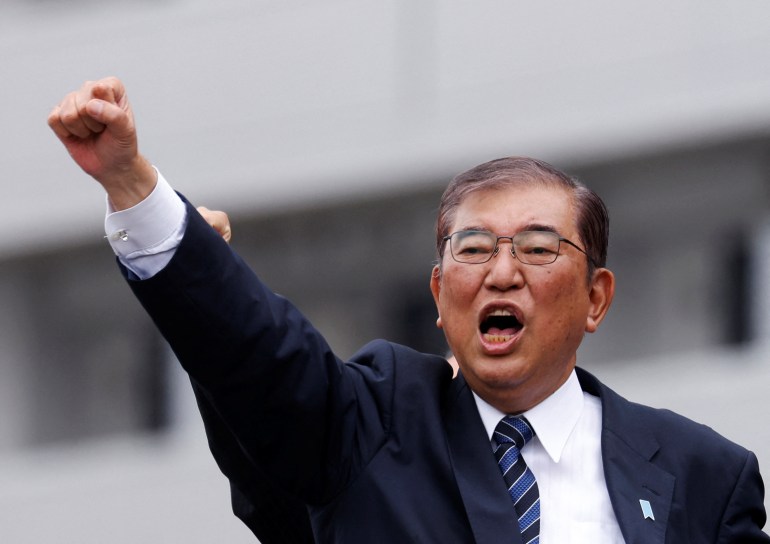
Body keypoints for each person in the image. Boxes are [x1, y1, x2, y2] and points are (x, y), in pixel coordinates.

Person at [48, 77, 769, 543]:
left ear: (596, 298)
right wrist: (132, 184)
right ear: (436, 294)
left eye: (540, 249)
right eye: (475, 248)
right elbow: (260, 356)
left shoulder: (702, 474)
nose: (502, 273)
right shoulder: (371, 427)